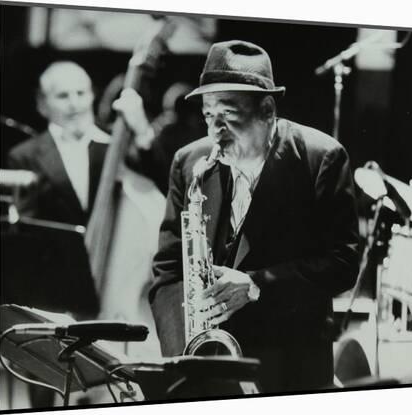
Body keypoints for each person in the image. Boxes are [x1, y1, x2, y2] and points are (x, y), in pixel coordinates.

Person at [149, 40, 360, 393]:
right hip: (205, 367)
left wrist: (257, 284)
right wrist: (184, 356)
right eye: (207, 115)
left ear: (266, 110)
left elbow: (343, 263)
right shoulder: (189, 162)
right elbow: (168, 273)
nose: (215, 131)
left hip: (291, 367)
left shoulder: (321, 158)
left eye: (229, 116)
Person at [7, 61, 110, 226]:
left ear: (92, 96)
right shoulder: (23, 156)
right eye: (63, 96)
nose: (74, 104)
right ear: (42, 105)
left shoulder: (114, 143)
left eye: (81, 93)